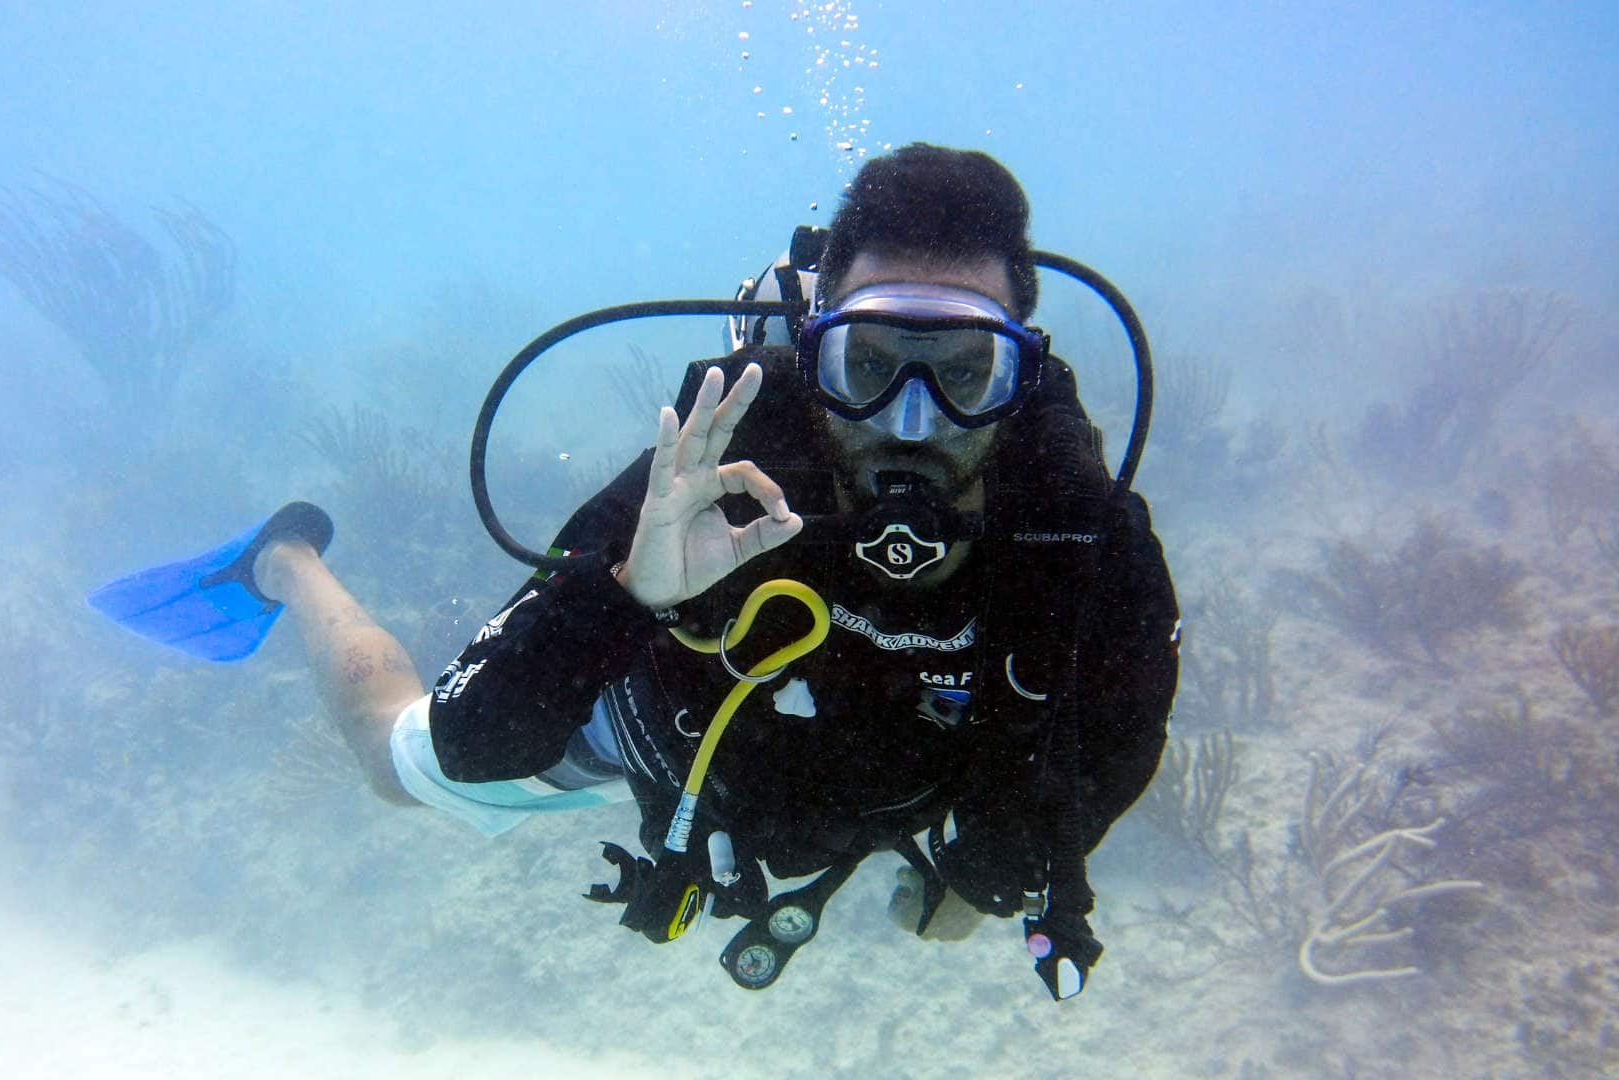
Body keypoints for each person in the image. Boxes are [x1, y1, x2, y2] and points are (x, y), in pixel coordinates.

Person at [91, 143, 1178, 998]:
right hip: (675, 724)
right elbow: (477, 744)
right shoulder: (715, 461)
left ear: (1020, 370)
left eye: (964, 371)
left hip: (920, 766)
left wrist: (993, 874)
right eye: (870, 363)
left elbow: (1102, 764)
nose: (911, 419)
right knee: (399, 764)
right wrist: (621, 597)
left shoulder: (1082, 535)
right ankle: (284, 559)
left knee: (967, 902)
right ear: (812, 351)